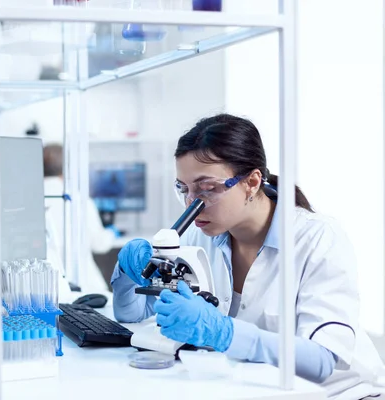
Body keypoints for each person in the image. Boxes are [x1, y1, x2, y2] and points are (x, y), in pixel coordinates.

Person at [112, 114, 385, 399]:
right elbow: (134, 316)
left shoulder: (317, 238)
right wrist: (126, 276)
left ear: (252, 182)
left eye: (207, 189)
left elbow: (321, 362)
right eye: (184, 188)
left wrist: (224, 333)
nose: (191, 205)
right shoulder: (200, 236)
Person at [43, 144, 116, 292]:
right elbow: (99, 244)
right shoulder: (77, 199)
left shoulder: (27, 199)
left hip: (44, 290)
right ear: (66, 170)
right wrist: (111, 232)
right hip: (85, 287)